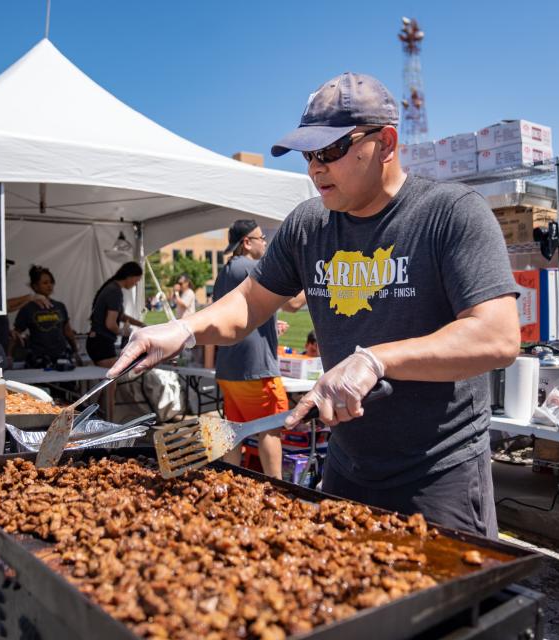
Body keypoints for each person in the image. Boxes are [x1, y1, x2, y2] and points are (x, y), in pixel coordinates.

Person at [108, 72, 519, 537]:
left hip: (438, 473)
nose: (315, 168)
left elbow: (498, 336)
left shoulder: (451, 213)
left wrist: (376, 360)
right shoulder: (308, 225)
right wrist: (184, 329)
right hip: (346, 466)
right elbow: (249, 303)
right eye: (308, 155)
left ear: (386, 143)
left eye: (331, 152)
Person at [213, 220, 306, 478]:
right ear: (246, 242)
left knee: (234, 430)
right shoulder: (252, 267)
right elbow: (294, 304)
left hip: (229, 367)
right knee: (271, 429)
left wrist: (269, 327)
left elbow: (238, 315)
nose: (266, 242)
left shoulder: (227, 271)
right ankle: (277, 489)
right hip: (256, 369)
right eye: (261, 237)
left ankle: (227, 485)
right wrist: (314, 275)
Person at [11, 265, 83, 368]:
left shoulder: (59, 306)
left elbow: (67, 331)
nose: (49, 286)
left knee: (66, 383)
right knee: (41, 384)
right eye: (45, 283)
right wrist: (9, 355)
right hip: (39, 356)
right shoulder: (27, 308)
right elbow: (16, 333)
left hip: (61, 354)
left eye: (51, 282)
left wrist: (76, 351)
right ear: (35, 286)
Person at [87, 262, 145, 368]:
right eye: (137, 280)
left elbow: (121, 316)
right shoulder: (114, 291)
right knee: (110, 381)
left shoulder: (112, 288)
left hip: (97, 341)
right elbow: (110, 324)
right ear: (130, 276)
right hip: (101, 342)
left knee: (107, 380)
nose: (136, 284)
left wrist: (141, 324)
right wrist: (124, 333)